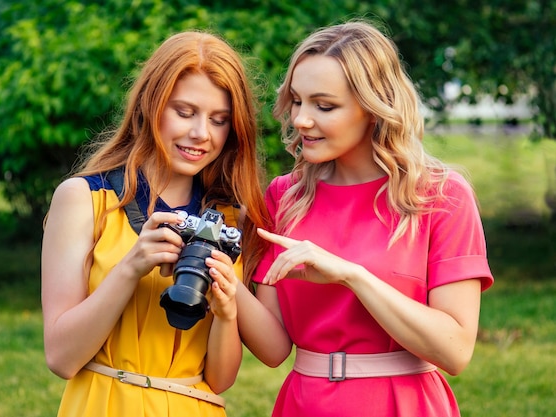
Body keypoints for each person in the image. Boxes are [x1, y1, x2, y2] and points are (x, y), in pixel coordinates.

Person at [235, 20, 494, 417]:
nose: (302, 119)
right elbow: (273, 350)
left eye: (324, 106)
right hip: (304, 404)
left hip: (404, 404)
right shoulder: (283, 197)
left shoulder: (442, 197)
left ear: (373, 109)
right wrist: (221, 276)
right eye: (298, 101)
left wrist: (352, 275)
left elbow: (455, 351)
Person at [41, 30, 269, 417]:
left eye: (219, 120)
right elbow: (62, 358)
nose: (201, 134)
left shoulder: (230, 221)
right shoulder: (83, 199)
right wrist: (131, 267)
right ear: (151, 104)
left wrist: (227, 310)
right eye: (184, 112)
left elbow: (220, 379)